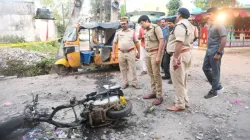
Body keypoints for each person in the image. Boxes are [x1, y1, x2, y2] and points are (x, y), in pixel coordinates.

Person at [166, 8, 194, 111]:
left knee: (178, 80)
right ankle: (184, 100)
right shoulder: (190, 25)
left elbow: (179, 42)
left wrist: (175, 58)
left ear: (179, 15)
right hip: (187, 53)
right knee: (183, 79)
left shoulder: (180, 25)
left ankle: (179, 104)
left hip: (180, 54)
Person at [138, 15, 164, 105]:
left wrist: (158, 56)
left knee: (156, 74)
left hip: (155, 52)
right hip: (148, 53)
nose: (141, 26)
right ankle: (154, 92)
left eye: (142, 23)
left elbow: (161, 41)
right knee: (151, 73)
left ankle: (159, 96)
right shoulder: (145, 30)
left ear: (146, 21)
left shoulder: (156, 28)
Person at [202, 8, 227, 99]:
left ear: (215, 14)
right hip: (209, 51)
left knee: (215, 71)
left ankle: (214, 91)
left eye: (209, 14)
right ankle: (217, 86)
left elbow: (224, 39)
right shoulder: (211, 25)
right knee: (205, 68)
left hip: (215, 51)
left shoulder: (219, 25)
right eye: (207, 14)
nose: (208, 16)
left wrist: (219, 53)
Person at [112, 17, 140, 89]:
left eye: (124, 24)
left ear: (127, 23)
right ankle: (125, 83)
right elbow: (114, 43)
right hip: (121, 52)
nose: (123, 25)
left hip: (130, 52)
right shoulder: (118, 32)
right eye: (121, 24)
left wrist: (139, 52)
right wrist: (113, 53)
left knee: (132, 68)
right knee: (122, 68)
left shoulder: (132, 32)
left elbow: (137, 43)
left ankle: (134, 83)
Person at [164, 17, 176, 84]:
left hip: (173, 50)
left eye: (170, 23)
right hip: (167, 48)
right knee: (165, 63)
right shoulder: (168, 29)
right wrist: (165, 47)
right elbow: (167, 39)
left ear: (174, 23)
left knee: (172, 65)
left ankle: (173, 78)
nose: (169, 25)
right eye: (168, 23)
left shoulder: (177, 30)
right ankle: (167, 75)